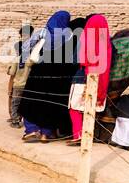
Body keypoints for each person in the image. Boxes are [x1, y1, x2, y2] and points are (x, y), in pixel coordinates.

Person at [20, 10, 78, 142]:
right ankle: (46, 133)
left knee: (31, 99)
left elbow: (25, 47)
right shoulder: (69, 34)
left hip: (40, 71)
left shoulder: (42, 32)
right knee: (49, 102)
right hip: (58, 74)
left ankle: (32, 129)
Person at [68, 14, 110, 144]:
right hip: (100, 78)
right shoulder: (108, 43)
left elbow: (75, 60)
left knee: (74, 107)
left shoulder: (84, 39)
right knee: (90, 107)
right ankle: (88, 135)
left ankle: (78, 134)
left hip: (81, 76)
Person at [8, 23, 39, 127]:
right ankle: (17, 118)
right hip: (25, 82)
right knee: (20, 102)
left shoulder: (20, 55)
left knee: (16, 102)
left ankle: (15, 120)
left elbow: (12, 73)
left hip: (19, 82)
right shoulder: (31, 53)